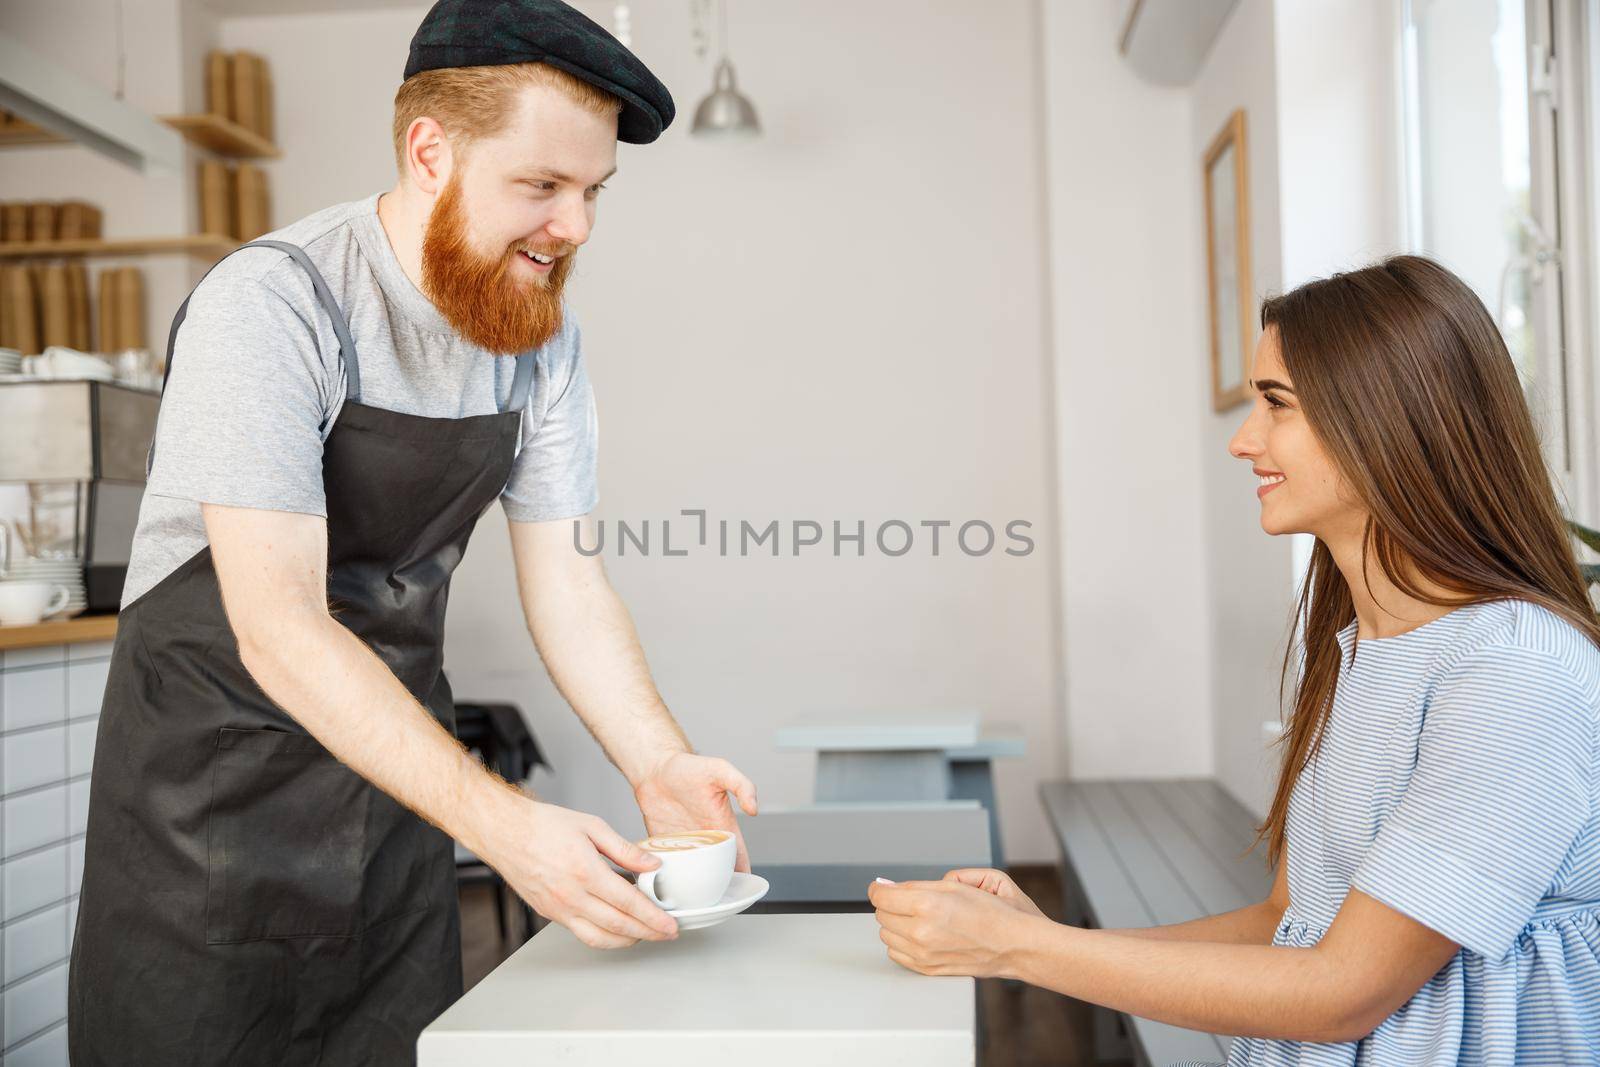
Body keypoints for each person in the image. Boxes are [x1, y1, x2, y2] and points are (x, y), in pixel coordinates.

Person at [68, 1, 759, 1062]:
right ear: (429, 151)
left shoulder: (539, 343)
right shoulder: (275, 306)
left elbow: (569, 585)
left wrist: (658, 760)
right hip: (207, 826)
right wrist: (506, 826)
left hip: (397, 807)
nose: (574, 227)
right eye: (540, 186)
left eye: (590, 193)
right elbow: (281, 626)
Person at [869, 255, 1600, 1064]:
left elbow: (1344, 990)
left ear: (1386, 416)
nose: (1244, 439)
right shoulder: (1365, 648)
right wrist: (1033, 935)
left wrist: (1016, 951)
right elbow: (1287, 920)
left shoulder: (1516, 674)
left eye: (1275, 404)